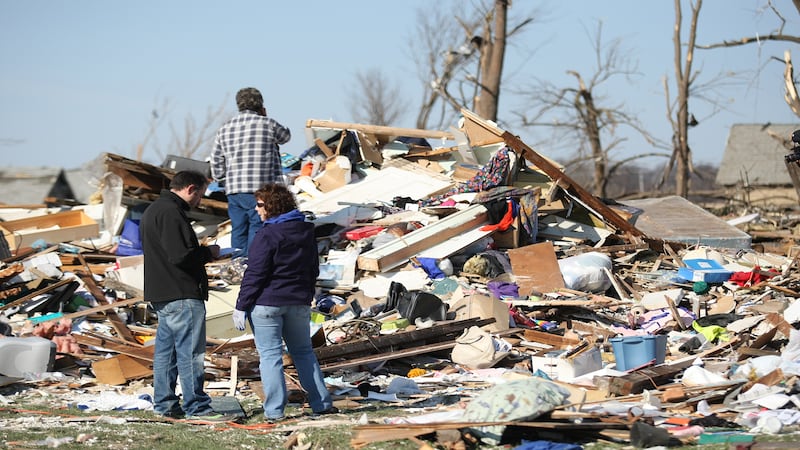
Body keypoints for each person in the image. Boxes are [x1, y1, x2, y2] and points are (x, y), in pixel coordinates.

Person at [231, 183, 336, 421]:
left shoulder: (267, 234)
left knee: (270, 357)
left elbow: (255, 273)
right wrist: (306, 295)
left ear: (272, 206)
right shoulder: (306, 231)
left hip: (267, 303)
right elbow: (313, 269)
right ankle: (322, 404)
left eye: (259, 205)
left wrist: (241, 305)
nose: (256, 210)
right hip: (298, 302)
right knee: (304, 353)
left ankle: (275, 411)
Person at [139, 170, 232, 422]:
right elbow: (181, 255)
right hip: (181, 292)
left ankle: (166, 404)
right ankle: (197, 407)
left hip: (162, 292)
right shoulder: (171, 212)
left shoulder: (154, 211)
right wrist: (208, 252)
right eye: (200, 195)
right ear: (190, 188)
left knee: (166, 353)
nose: (200, 201)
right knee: (190, 352)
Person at [211, 87, 291, 258]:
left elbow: (216, 159)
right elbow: (285, 137)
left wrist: (221, 177)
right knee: (257, 227)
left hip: (234, 190)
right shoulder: (267, 124)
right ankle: (253, 265)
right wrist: (264, 115)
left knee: (238, 230)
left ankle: (238, 266)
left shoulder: (225, 128)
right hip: (259, 189)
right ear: (261, 105)